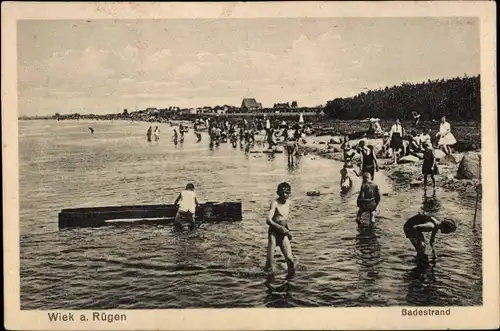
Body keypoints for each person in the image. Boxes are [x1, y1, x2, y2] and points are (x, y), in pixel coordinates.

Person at [265, 182, 296, 279]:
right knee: (270, 264)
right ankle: (268, 282)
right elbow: (268, 220)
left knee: (290, 260)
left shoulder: (289, 203)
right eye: (282, 193)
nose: (285, 195)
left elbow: (284, 219)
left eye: (287, 193)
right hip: (273, 233)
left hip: (283, 233)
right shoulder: (275, 203)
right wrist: (280, 228)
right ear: (278, 193)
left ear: (289, 193)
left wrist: (288, 231)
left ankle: (291, 280)